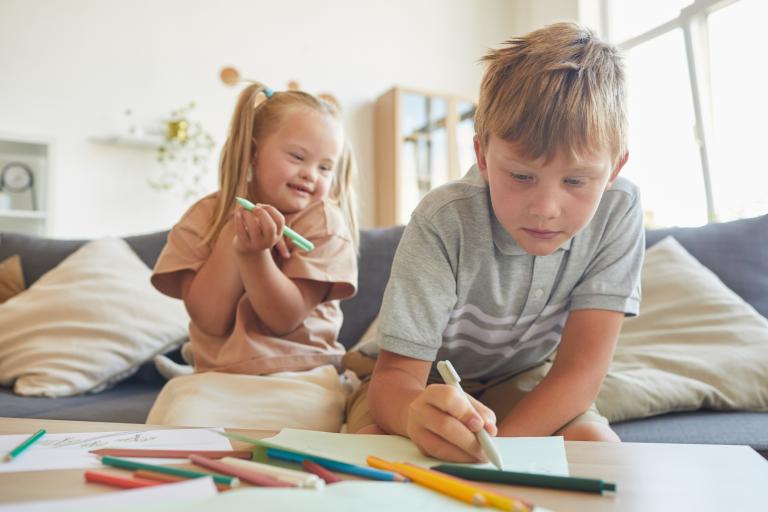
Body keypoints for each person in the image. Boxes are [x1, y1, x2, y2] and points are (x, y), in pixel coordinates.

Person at [344, 22, 644, 462]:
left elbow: (580, 372)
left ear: (613, 169)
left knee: (597, 450)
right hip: (415, 381)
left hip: (523, 378)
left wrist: (494, 455)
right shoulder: (443, 219)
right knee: (374, 445)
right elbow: (395, 377)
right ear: (482, 155)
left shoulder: (619, 209)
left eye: (576, 180)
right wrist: (414, 417)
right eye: (521, 176)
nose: (545, 208)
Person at [146, 83, 359, 430]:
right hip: (216, 378)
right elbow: (209, 320)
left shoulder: (324, 223)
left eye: (325, 167)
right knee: (179, 429)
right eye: (297, 157)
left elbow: (283, 318)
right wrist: (233, 238)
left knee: (297, 442)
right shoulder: (206, 217)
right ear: (252, 152)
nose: (311, 174)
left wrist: (254, 256)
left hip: (300, 376)